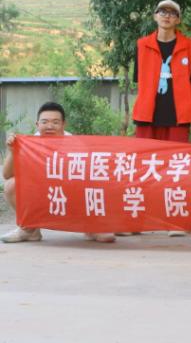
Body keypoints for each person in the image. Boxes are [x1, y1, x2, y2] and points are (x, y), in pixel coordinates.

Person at [2, 102, 116, 244]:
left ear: (63, 124)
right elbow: (6, 175)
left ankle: (91, 226)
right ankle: (29, 229)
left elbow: (91, 179)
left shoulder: (75, 145)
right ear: (37, 124)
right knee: (11, 185)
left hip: (72, 194)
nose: (49, 126)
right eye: (45, 122)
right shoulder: (29, 144)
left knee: (105, 233)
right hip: (44, 193)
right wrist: (13, 151)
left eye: (55, 122)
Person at [132, 0, 191, 143]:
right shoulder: (142, 45)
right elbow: (139, 80)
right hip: (147, 115)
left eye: (172, 13)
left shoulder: (189, 46)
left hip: (178, 117)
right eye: (163, 12)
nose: (167, 16)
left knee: (177, 156)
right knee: (145, 155)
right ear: (155, 16)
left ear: (178, 20)